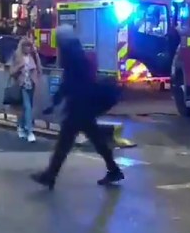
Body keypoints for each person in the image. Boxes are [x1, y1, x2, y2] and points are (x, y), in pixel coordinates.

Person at [30, 25, 123, 189]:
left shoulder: (70, 55)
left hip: (79, 107)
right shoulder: (75, 51)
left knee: (65, 142)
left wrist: (56, 101)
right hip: (84, 105)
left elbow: (70, 82)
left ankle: (50, 175)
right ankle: (113, 169)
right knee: (95, 140)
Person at [10, 36, 42, 142]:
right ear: (22, 47)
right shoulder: (17, 56)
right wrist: (20, 67)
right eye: (26, 46)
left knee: (26, 108)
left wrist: (36, 54)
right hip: (22, 84)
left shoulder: (33, 56)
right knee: (27, 107)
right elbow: (11, 71)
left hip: (32, 85)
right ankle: (29, 131)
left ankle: (21, 126)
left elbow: (39, 68)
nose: (28, 48)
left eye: (29, 46)